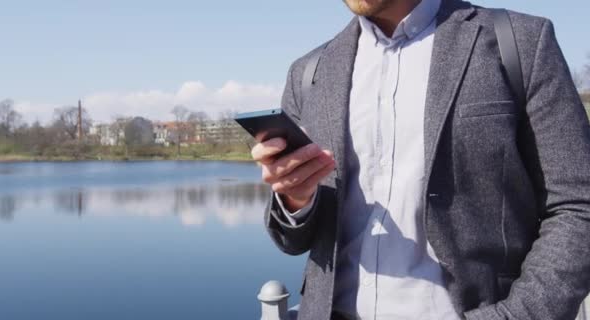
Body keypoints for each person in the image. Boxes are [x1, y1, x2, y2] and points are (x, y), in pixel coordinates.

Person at [251, 0, 590, 319]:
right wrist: (295, 198)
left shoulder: (520, 43)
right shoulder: (308, 73)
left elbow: (578, 207)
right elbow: (292, 240)